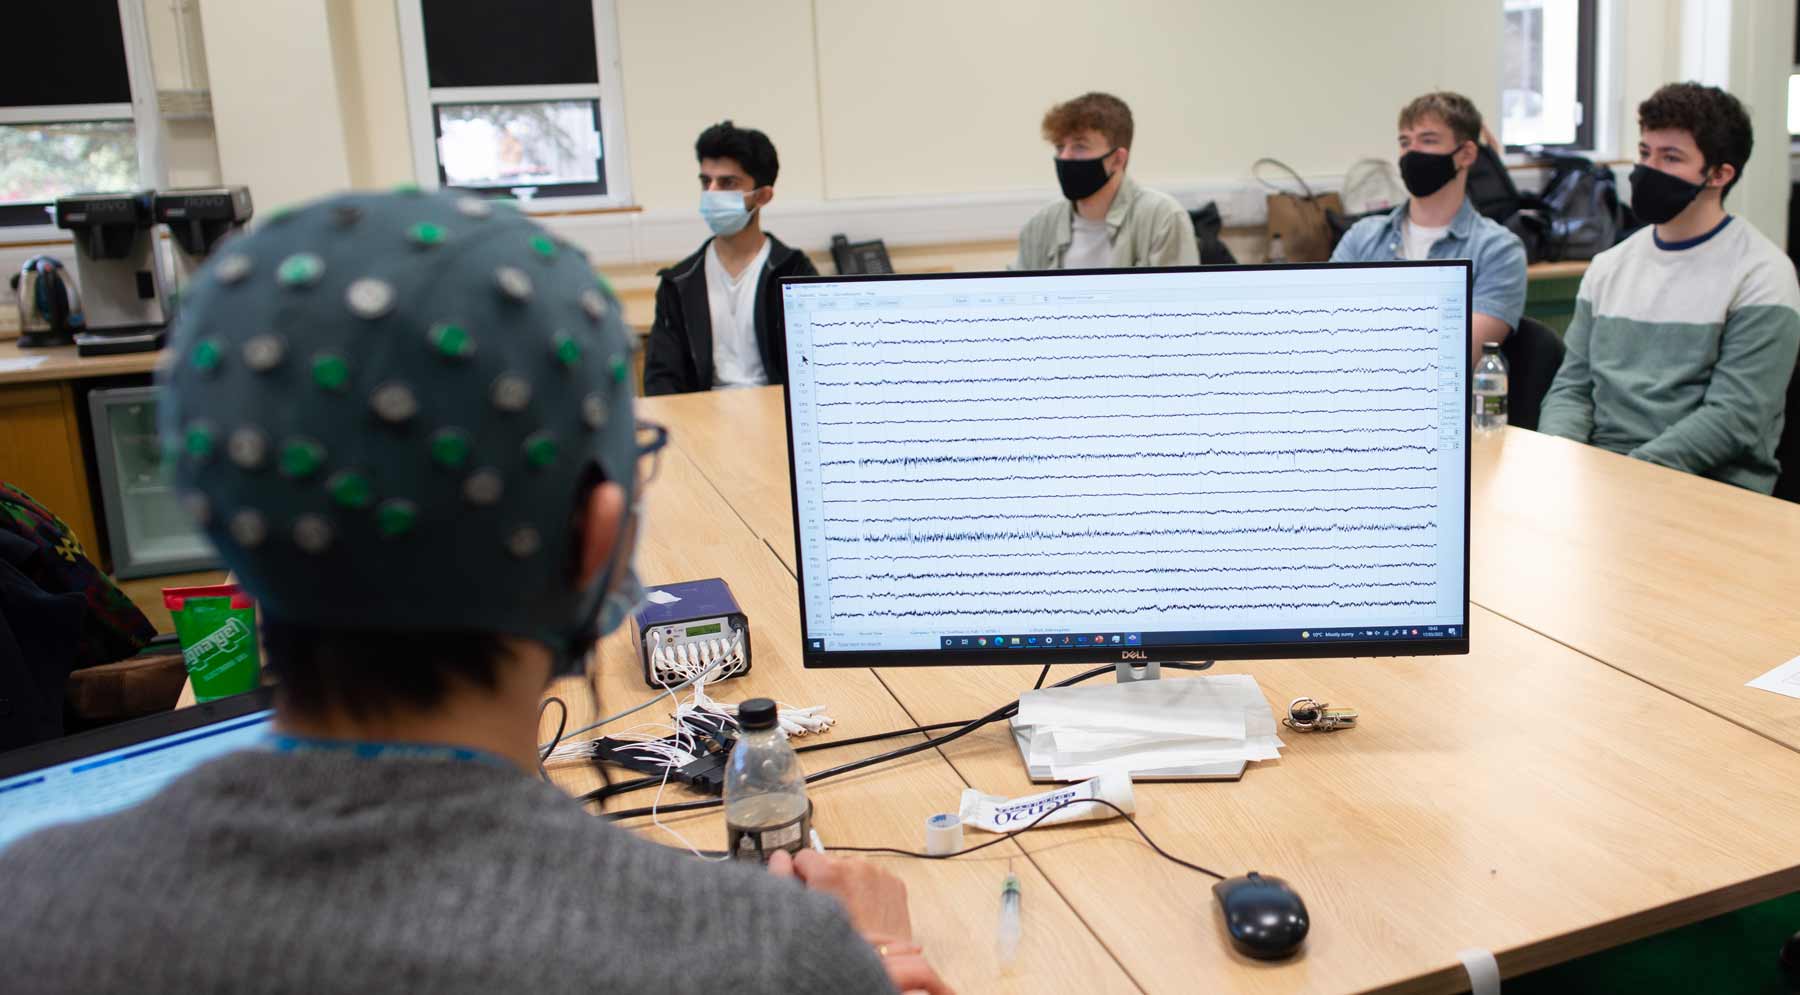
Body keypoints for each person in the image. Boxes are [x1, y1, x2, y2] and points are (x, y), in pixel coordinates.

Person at [0, 190, 950, 995]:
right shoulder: (766, 955)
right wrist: (872, 965)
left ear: (228, 523)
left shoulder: (30, 910)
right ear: (598, 537)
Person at [1538, 83, 1800, 494]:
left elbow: (1734, 417)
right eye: (1645, 153)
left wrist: (1627, 476)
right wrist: (1559, 457)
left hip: (1710, 487)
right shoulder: (1608, 267)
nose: (1647, 169)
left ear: (1719, 174)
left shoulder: (1762, 274)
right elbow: (1572, 388)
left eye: (1670, 157)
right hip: (1604, 477)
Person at [1331, 92, 1527, 363]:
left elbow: (1457, 354)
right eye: (1405, 142)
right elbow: (1330, 334)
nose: (1412, 152)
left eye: (1428, 140)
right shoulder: (1361, 238)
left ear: (1467, 154)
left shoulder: (1497, 250)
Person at [644, 121, 819, 396]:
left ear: (762, 196)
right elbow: (662, 382)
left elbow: (815, 370)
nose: (711, 193)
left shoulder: (794, 273)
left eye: (727, 183)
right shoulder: (678, 283)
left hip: (775, 419)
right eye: (706, 181)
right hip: (703, 423)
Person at [1014, 92, 1198, 270]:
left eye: (1080, 146)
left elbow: (1177, 298)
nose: (1064, 157)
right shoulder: (1040, 226)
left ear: (1117, 159)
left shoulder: (1161, 218)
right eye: (1060, 147)